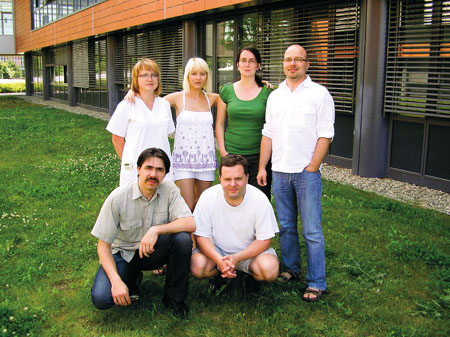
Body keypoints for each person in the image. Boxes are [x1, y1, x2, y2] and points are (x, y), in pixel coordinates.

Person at [257, 44, 335, 302]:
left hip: (305, 173)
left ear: (306, 64)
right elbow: (268, 133)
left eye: (298, 60)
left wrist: (312, 166)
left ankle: (316, 282)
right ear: (283, 63)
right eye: (288, 59)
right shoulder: (275, 96)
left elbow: (325, 133)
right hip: (279, 171)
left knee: (312, 230)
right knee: (287, 226)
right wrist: (262, 167)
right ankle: (291, 268)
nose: (293, 63)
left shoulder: (320, 94)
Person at [90, 148, 195, 318]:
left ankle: (175, 299)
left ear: (165, 174)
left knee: (183, 239)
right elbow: (103, 247)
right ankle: (129, 278)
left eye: (159, 170)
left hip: (153, 252)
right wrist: (116, 281)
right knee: (102, 298)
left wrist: (156, 230)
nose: (153, 174)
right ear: (138, 169)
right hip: (123, 254)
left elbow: (190, 223)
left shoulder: (169, 190)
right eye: (148, 168)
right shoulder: (118, 198)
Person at [125, 57, 219, 212]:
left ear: (207, 76)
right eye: (193, 73)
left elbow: (237, 96)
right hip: (183, 160)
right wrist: (134, 91)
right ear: (187, 75)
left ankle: (201, 236)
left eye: (202, 74)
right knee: (187, 206)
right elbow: (151, 99)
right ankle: (187, 235)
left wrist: (260, 83)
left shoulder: (213, 98)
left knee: (203, 207)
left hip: (206, 160)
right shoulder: (176, 98)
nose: (198, 77)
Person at [190, 154, 279, 291]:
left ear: (247, 178)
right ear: (220, 179)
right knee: (198, 267)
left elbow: (265, 239)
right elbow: (201, 236)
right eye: (227, 179)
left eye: (238, 179)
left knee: (269, 270)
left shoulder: (259, 199)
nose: (232, 184)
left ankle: (247, 276)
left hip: (249, 254)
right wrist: (219, 260)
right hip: (217, 253)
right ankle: (221, 275)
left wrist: (237, 258)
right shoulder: (208, 197)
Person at [107, 58, 175, 186]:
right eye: (144, 75)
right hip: (135, 169)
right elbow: (117, 140)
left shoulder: (164, 105)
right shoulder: (127, 105)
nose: (149, 79)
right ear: (136, 79)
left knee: (163, 202)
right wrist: (130, 163)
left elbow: (164, 136)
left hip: (161, 167)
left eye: (153, 75)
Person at [216, 47, 273, 200]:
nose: (247, 64)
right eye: (243, 60)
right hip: (232, 154)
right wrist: (223, 152)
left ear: (258, 65)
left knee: (259, 199)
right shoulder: (226, 91)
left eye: (252, 61)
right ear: (237, 65)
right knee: (232, 199)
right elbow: (220, 124)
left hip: (259, 156)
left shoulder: (268, 92)